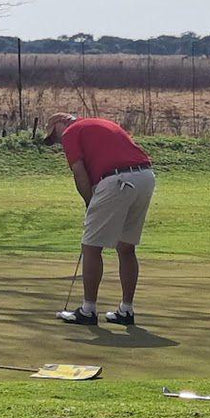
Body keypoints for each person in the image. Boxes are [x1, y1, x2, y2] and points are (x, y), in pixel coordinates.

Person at [45, 113, 155, 326]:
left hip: (117, 180)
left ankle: (88, 310)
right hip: (145, 177)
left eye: (54, 136)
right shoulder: (101, 123)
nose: (59, 142)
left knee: (91, 246)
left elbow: (79, 172)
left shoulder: (71, 131)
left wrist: (89, 202)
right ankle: (126, 310)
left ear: (60, 124)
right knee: (126, 246)